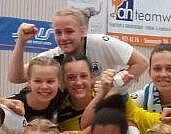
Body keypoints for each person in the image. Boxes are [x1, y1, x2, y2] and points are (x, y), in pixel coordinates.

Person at [9, 8, 148, 85]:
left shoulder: (101, 43)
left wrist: (113, 86)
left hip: (105, 107)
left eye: (69, 31)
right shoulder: (53, 57)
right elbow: (16, 78)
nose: (63, 38)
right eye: (58, 33)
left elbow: (141, 62)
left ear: (83, 31)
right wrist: (21, 42)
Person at [9, 56, 64, 122]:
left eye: (50, 81)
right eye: (38, 81)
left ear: (59, 81)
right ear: (29, 81)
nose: (44, 87)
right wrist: (2, 101)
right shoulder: (13, 106)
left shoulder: (63, 98)